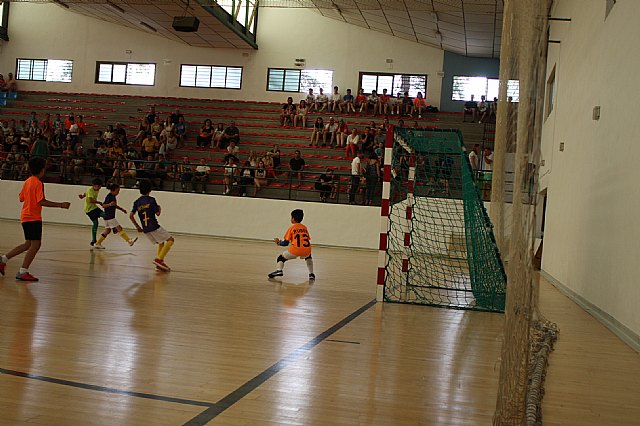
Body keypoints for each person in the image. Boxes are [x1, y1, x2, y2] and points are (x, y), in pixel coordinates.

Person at [0, 157, 71, 281]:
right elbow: (41, 201)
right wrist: (61, 205)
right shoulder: (38, 183)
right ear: (42, 169)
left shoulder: (27, 181)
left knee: (28, 244)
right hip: (33, 217)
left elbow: (21, 198)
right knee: (36, 244)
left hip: (25, 216)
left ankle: (3, 260)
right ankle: (23, 271)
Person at [129, 179, 175, 271]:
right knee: (171, 240)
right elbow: (158, 213)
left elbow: (131, 216)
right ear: (150, 189)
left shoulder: (137, 202)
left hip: (145, 229)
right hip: (154, 226)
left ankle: (159, 264)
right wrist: (159, 208)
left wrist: (137, 226)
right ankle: (159, 259)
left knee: (161, 242)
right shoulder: (151, 200)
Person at [267, 209, 315, 281]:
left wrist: (278, 242)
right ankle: (311, 274)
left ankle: (279, 270)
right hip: (307, 249)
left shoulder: (291, 228)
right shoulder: (304, 227)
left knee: (281, 258)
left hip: (295, 250)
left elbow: (285, 243)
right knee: (308, 257)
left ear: (293, 218)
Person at [92, 183, 138, 249]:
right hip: (109, 216)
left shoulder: (113, 197)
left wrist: (121, 209)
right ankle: (129, 241)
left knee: (107, 231)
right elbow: (103, 205)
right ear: (112, 190)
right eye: (117, 191)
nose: (118, 193)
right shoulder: (109, 196)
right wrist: (109, 204)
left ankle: (98, 243)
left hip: (107, 217)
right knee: (119, 228)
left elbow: (115, 205)